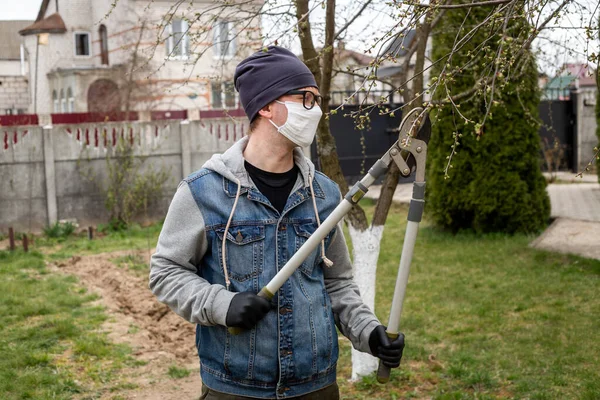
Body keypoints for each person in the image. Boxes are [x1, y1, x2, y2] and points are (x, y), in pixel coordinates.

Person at [149, 46, 405, 399]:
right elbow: (166, 272)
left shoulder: (324, 195)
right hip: (235, 388)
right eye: (304, 98)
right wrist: (224, 305)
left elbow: (338, 283)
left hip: (315, 386)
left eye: (317, 99)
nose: (314, 109)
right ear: (267, 105)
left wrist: (369, 332)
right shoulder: (203, 192)